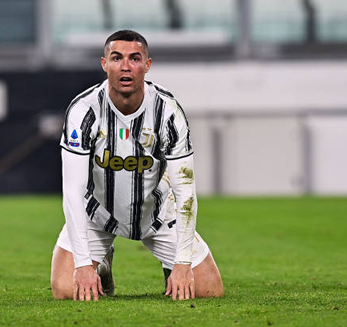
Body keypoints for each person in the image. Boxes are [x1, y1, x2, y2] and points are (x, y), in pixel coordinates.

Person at [50, 30, 224, 301]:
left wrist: (182, 264)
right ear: (104, 64)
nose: (126, 66)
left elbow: (186, 192)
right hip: (97, 216)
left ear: (147, 65)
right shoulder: (84, 111)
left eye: (135, 58)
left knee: (209, 291)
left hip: (157, 217)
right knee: (65, 289)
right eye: (117, 58)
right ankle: (101, 262)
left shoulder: (168, 112)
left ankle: (170, 271)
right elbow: (72, 190)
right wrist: (83, 264)